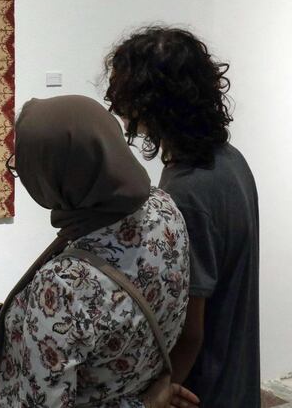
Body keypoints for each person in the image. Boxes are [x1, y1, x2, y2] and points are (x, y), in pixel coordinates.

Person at [0, 95, 193, 407]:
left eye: (24, 166)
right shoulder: (164, 210)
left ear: (53, 175)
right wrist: (13, 329)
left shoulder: (62, 286)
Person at [105, 27, 260, 407]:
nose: (119, 109)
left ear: (148, 100)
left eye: (124, 95)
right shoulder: (229, 159)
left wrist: (157, 393)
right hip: (236, 380)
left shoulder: (188, 191)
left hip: (202, 390)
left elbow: (190, 327)